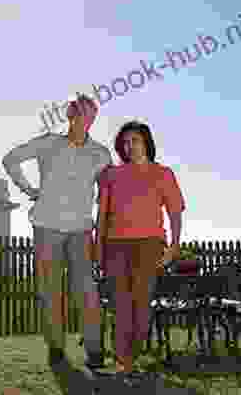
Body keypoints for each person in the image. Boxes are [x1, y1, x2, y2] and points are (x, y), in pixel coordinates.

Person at [2, 94, 112, 370]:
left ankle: (94, 350)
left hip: (81, 229)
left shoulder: (100, 154)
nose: (84, 118)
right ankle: (56, 347)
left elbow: (108, 190)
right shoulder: (48, 143)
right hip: (47, 225)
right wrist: (28, 190)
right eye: (79, 112)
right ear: (70, 115)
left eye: (90, 114)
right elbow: (10, 160)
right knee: (50, 290)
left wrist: (103, 222)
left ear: (93, 119)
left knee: (86, 289)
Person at [95, 120, 185, 379]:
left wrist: (174, 247)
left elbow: (175, 212)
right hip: (115, 246)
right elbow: (102, 215)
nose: (129, 145)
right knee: (120, 305)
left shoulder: (163, 173)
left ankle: (131, 357)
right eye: (124, 142)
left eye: (134, 140)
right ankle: (124, 362)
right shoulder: (111, 175)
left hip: (149, 245)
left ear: (146, 142)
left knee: (141, 305)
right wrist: (98, 248)